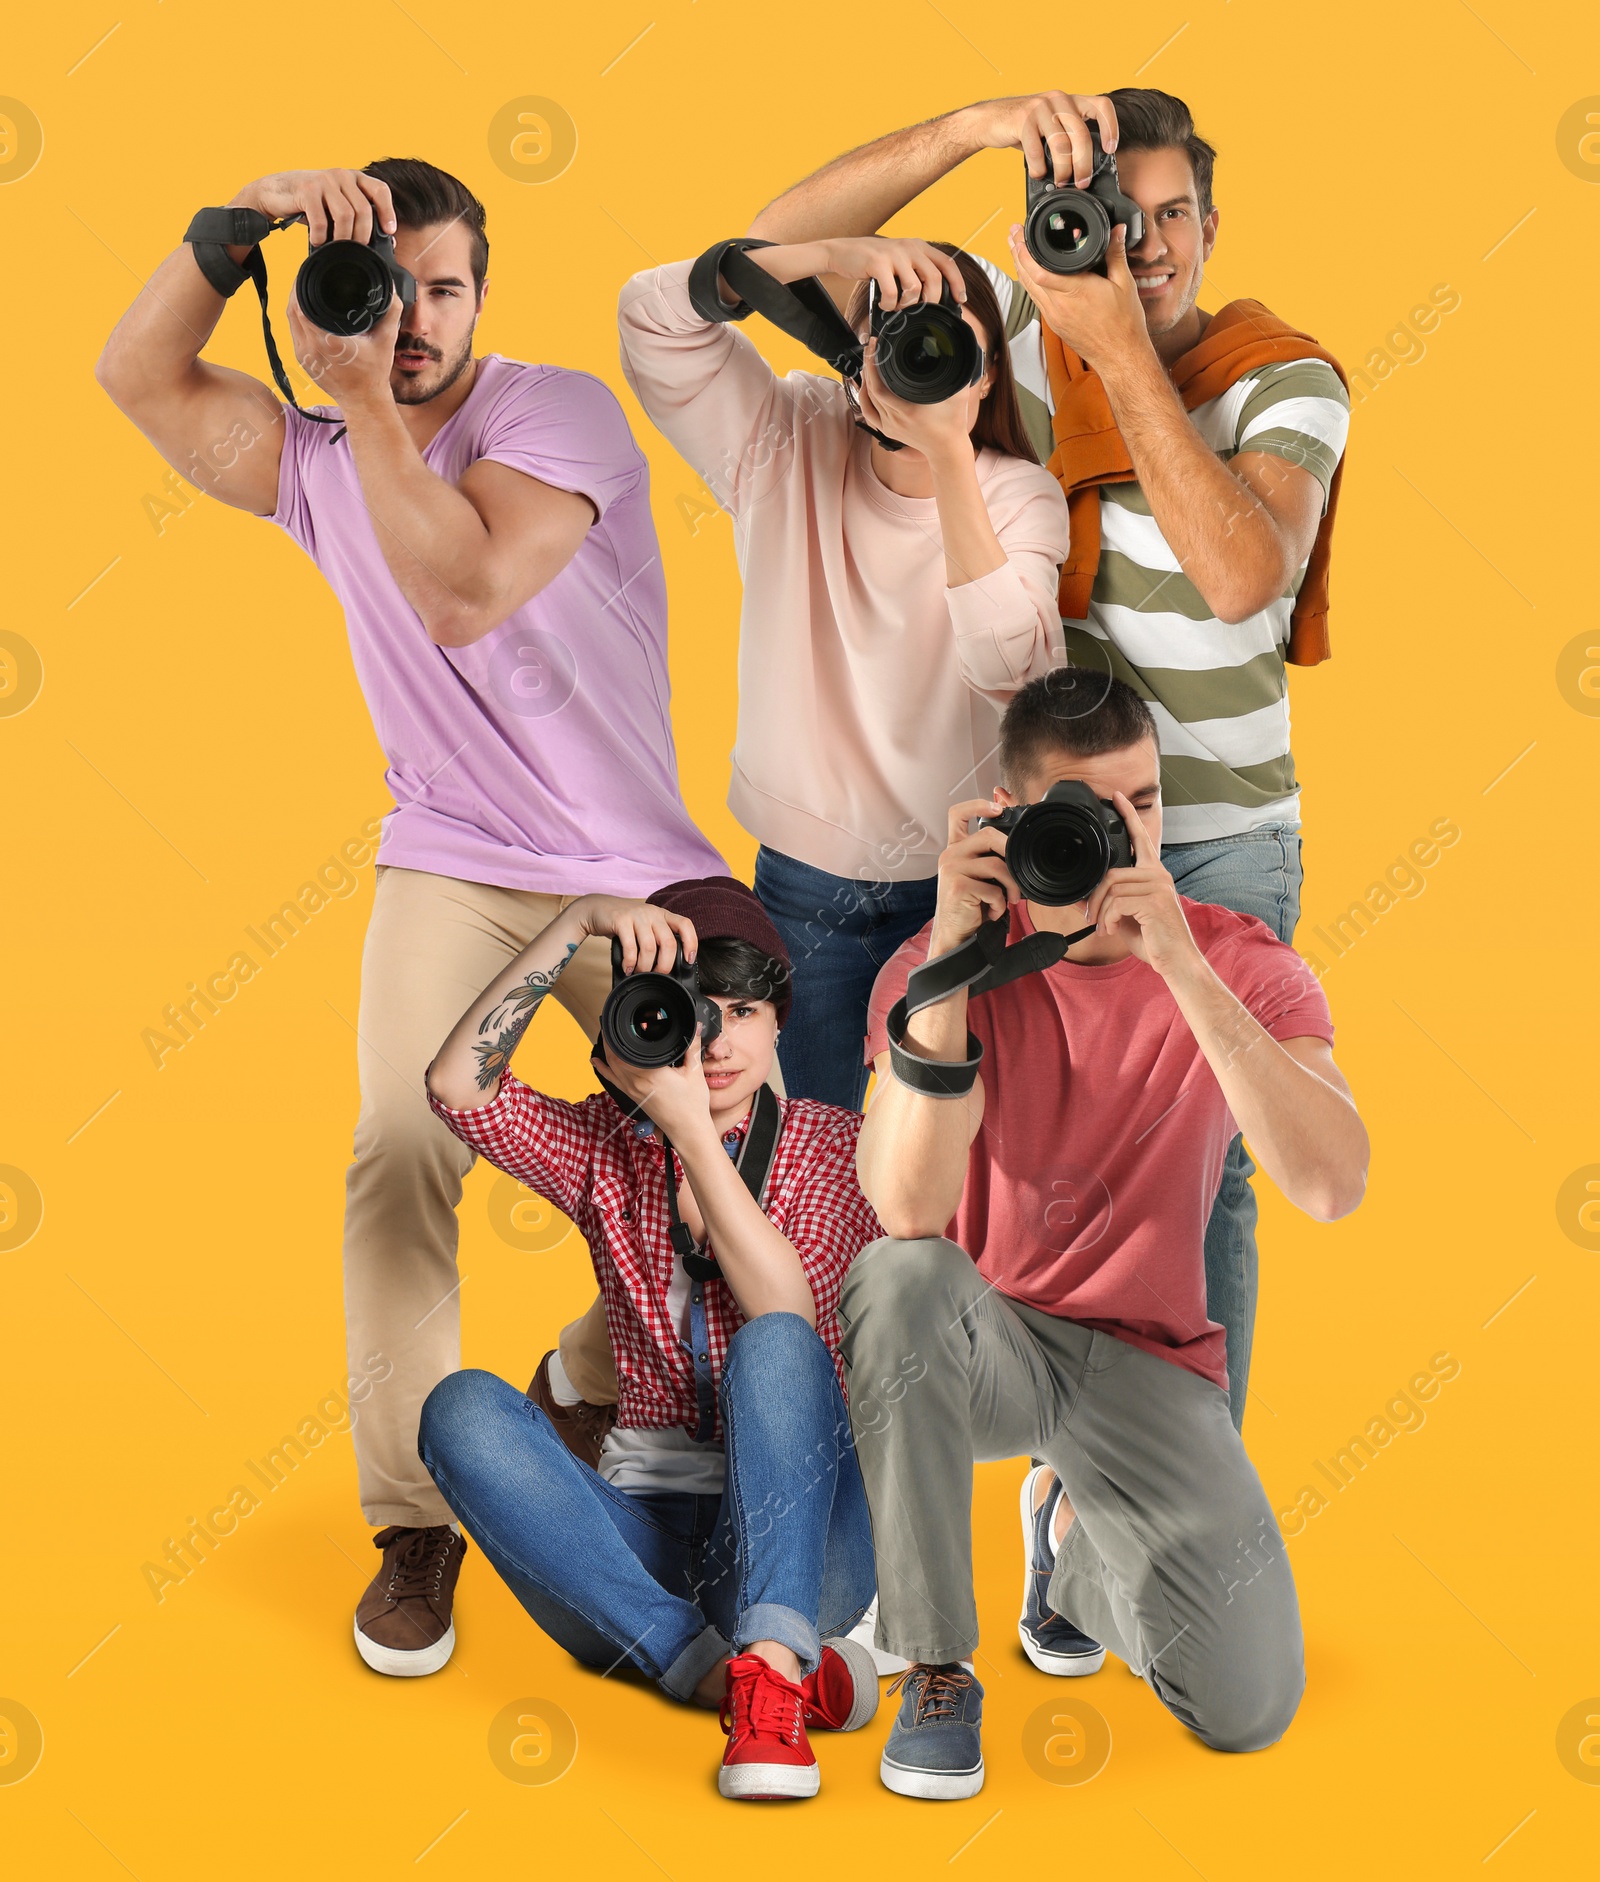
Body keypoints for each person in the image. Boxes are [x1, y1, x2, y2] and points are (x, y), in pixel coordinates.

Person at [94, 158, 729, 1675]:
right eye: (391, 289)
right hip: (451, 859)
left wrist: (367, 399)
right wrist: (233, 223)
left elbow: (460, 590)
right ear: (334, 297)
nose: (419, 320)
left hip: (630, 867)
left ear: (481, 298)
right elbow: (135, 371)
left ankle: (580, 1381)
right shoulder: (314, 457)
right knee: (398, 1141)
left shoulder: (551, 411)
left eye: (446, 287)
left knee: (726, 1166)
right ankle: (417, 1525)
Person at [748, 88, 1352, 1431]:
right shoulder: (1004, 336)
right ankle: (1039, 1439)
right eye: (1106, 215)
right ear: (1049, 223)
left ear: (1213, 222)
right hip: (1042, 823)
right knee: (1014, 1144)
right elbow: (761, 253)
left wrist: (1119, 349)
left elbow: (1246, 575)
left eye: (1171, 215)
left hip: (1213, 834)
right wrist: (967, 131)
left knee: (1211, 1168)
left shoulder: (1283, 377)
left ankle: (1159, 1508)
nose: (1139, 243)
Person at [842, 672, 1368, 1799]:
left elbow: (1330, 1184)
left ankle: (1067, 1556)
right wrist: (949, 953)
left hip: (1146, 1360)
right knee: (895, 1278)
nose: (1122, 838)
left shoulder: (1234, 961)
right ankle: (937, 1666)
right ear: (1018, 818)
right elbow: (904, 1214)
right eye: (1087, 812)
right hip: (988, 1341)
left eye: (1145, 805)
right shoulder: (941, 968)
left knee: (1247, 1706)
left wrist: (1178, 964)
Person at [418, 878, 883, 1801]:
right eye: (690, 1013)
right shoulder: (603, 1146)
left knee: (774, 1348)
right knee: (459, 1407)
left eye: (744, 1011)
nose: (718, 1042)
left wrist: (691, 1134)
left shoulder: (837, 1145)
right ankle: (750, 1678)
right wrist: (577, 926)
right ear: (638, 1025)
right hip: (640, 1542)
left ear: (780, 1021)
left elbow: (788, 1313)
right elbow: (454, 1086)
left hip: (802, 1533)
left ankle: (754, 1659)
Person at [616, 232, 1070, 1111]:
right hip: (803, 882)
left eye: (949, 344)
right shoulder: (789, 435)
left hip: (962, 883)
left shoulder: (1016, 493)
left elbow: (1013, 672)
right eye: (898, 336)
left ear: (985, 373)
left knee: (941, 1167)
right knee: (810, 1150)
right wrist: (836, 255)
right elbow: (650, 319)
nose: (924, 358)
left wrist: (946, 459)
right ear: (857, 361)